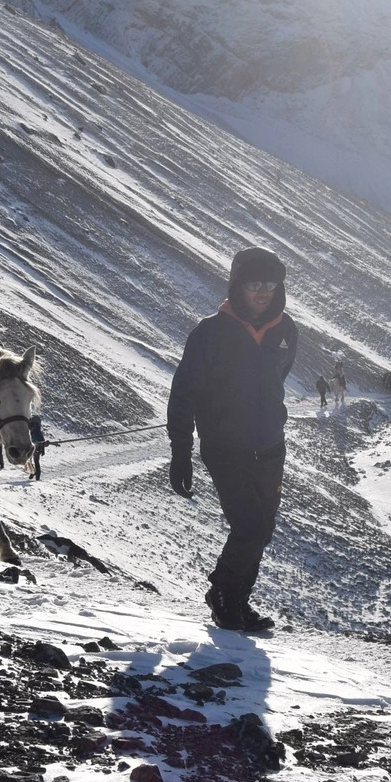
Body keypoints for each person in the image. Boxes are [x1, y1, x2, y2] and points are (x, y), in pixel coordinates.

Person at [168, 248, 298, 632]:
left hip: (271, 446)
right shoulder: (209, 333)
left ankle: (239, 600)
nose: (263, 293)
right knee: (250, 526)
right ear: (237, 286)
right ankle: (222, 594)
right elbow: (183, 394)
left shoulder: (285, 330)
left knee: (262, 528)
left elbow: (278, 379)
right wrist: (181, 451)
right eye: (254, 284)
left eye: (270, 285)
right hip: (226, 448)